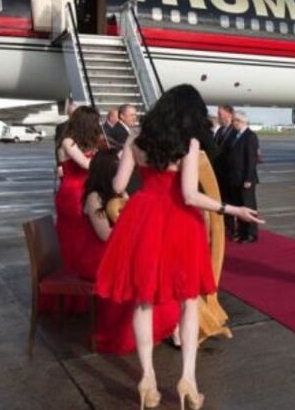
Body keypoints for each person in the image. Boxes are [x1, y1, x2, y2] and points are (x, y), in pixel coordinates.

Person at [95, 85, 263, 410]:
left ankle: (147, 379)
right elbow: (189, 195)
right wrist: (232, 209)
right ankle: (188, 379)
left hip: (143, 218)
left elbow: (117, 186)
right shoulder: (189, 143)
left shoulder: (135, 141)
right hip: (179, 223)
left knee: (143, 301)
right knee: (189, 301)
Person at [82, 148, 180, 354]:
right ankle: (155, 326)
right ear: (108, 169)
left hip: (120, 249)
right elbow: (105, 235)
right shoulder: (94, 197)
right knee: (141, 275)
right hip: (101, 254)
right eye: (119, 164)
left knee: (154, 269)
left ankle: (168, 325)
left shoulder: (120, 192)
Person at [49, 106, 103, 313]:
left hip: (82, 191)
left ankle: (79, 290)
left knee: (81, 238)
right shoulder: (68, 142)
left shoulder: (78, 142)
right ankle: (72, 295)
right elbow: (86, 164)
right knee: (74, 238)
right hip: (73, 193)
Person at [225, 111, 260, 243]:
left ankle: (251, 234)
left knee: (248, 206)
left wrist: (248, 179)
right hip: (235, 178)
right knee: (239, 206)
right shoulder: (236, 135)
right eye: (234, 121)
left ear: (242, 121)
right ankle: (242, 232)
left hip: (245, 179)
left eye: (236, 121)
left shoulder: (250, 136)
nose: (234, 123)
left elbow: (251, 160)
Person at [212, 105, 236, 236]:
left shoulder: (235, 131)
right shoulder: (220, 130)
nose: (218, 116)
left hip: (229, 174)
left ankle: (231, 228)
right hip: (219, 173)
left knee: (229, 201)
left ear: (229, 114)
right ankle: (225, 226)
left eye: (220, 114)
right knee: (221, 200)